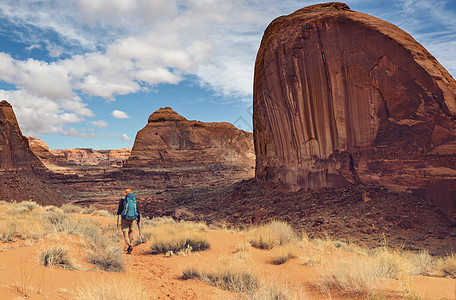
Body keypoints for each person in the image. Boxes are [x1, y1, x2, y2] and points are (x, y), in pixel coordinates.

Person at [117, 188, 140, 254]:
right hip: (133, 218)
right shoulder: (134, 200)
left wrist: (118, 213)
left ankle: (129, 245)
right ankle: (130, 245)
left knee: (125, 233)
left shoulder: (122, 200)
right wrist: (138, 219)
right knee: (131, 232)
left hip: (125, 218)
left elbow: (119, 210)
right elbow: (137, 210)